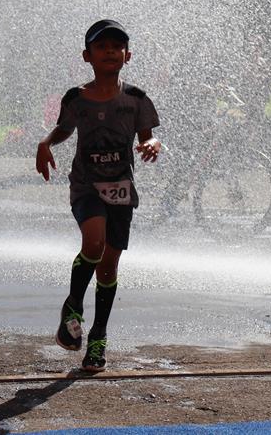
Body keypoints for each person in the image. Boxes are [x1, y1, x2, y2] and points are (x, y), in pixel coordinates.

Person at [35, 19, 161, 372]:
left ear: (128, 55)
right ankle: (73, 305)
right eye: (101, 46)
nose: (110, 51)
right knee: (93, 243)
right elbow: (63, 129)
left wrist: (152, 143)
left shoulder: (136, 99)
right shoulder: (76, 98)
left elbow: (147, 136)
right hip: (86, 186)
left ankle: (98, 337)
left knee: (108, 266)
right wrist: (45, 143)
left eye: (116, 46)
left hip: (121, 189)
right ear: (87, 55)